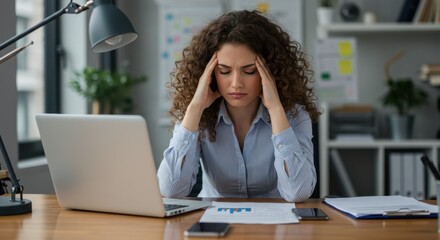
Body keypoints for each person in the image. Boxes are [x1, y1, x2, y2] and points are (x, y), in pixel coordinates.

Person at [157, 10, 320, 202]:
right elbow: (170, 190)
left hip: (275, 225)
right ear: (209, 74)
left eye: (249, 71)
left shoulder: (294, 115)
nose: (236, 83)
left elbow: (298, 192)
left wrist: (276, 109)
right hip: (213, 220)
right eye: (224, 71)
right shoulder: (197, 115)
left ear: (270, 71)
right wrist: (194, 108)